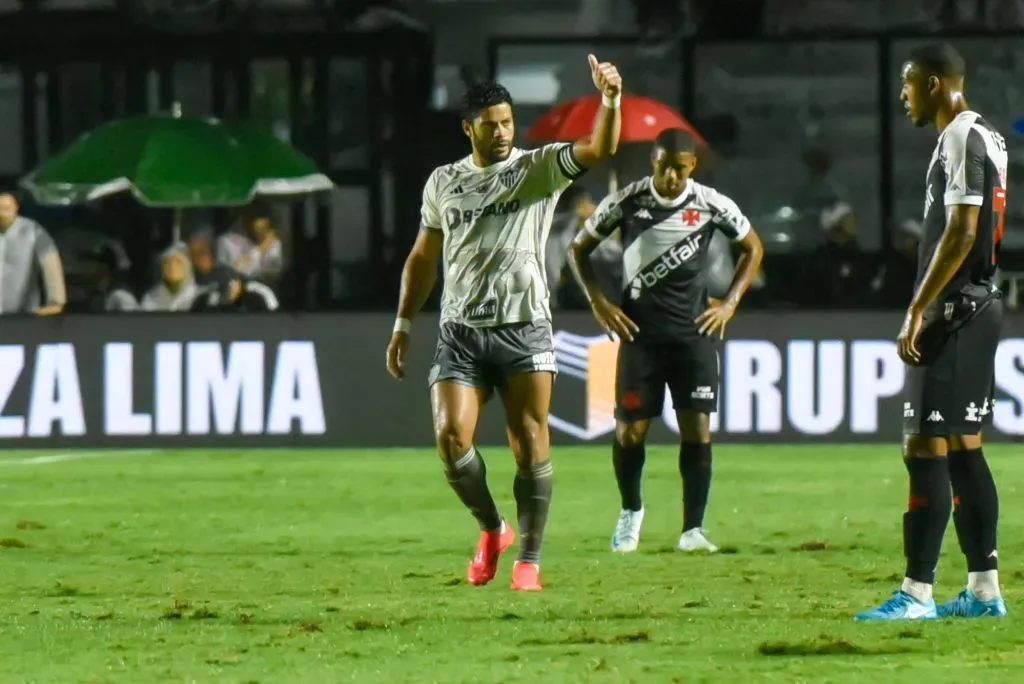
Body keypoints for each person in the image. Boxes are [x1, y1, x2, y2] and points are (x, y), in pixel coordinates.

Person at [385, 55, 623, 592]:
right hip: (461, 331)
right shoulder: (444, 182)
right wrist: (403, 323)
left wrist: (609, 100)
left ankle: (529, 562)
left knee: (530, 442)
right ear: (468, 128)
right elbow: (423, 258)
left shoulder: (535, 168)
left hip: (524, 326)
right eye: (490, 124)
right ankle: (493, 528)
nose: (501, 132)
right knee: (450, 437)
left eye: (508, 122)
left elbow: (598, 148)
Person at [856, 43, 1008, 621]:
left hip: (955, 311)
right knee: (964, 449)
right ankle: (984, 591)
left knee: (923, 445)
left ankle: (916, 593)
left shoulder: (959, 136)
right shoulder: (989, 136)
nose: (903, 95)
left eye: (909, 83)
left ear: (937, 84)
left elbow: (964, 230)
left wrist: (919, 307)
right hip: (979, 306)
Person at [565, 128, 764, 554]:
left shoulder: (711, 204)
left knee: (697, 430)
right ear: (652, 162)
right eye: (663, 166)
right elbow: (577, 250)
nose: (671, 176)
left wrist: (729, 303)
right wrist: (599, 302)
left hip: (694, 337)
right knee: (629, 432)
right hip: (641, 337)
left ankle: (693, 529)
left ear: (691, 166)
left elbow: (752, 247)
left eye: (679, 168)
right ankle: (630, 512)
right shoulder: (628, 201)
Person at [0, 193, 66, 316]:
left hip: (24, 315)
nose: (2, 214)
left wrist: (56, 301)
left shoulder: (32, 231)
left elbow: (51, 262)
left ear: (16, 208)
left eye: (6, 208)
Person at [190, 266, 279, 312]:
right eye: (223, 290)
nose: (228, 293)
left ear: (237, 281)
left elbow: (275, 313)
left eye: (229, 286)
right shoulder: (211, 295)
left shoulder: (258, 292)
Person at [140, 244, 198, 312]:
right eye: (167, 263)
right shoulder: (150, 298)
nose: (172, 267)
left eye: (178, 262)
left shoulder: (198, 299)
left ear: (188, 267)